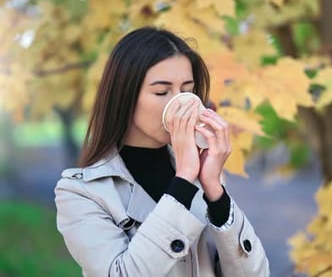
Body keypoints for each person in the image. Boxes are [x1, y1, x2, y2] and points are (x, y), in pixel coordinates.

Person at [54, 26, 270, 277]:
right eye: (162, 92)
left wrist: (214, 189)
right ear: (125, 96)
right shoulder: (81, 193)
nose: (180, 103)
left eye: (187, 90)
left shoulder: (203, 178)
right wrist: (184, 179)